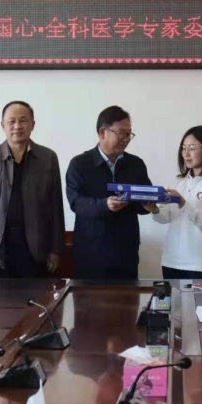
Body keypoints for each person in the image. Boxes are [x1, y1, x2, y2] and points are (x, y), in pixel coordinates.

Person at [0, 101, 64, 278]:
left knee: (36, 295)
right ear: (3, 125)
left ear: (33, 124)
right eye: (11, 121)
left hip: (36, 248)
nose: (17, 126)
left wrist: (56, 250)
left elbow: (55, 207)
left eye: (23, 120)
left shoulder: (47, 158)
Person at [66, 105, 152, 280]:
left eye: (129, 134)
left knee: (128, 298)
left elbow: (142, 202)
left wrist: (149, 205)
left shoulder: (135, 164)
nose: (126, 139)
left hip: (126, 254)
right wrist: (105, 205)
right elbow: (76, 203)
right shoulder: (80, 164)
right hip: (91, 254)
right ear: (102, 132)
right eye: (121, 133)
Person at [145, 126, 202, 280]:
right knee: (171, 298)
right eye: (183, 148)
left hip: (200, 264)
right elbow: (166, 217)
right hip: (171, 261)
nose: (186, 154)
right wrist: (154, 209)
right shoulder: (179, 181)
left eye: (192, 148)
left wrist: (183, 202)